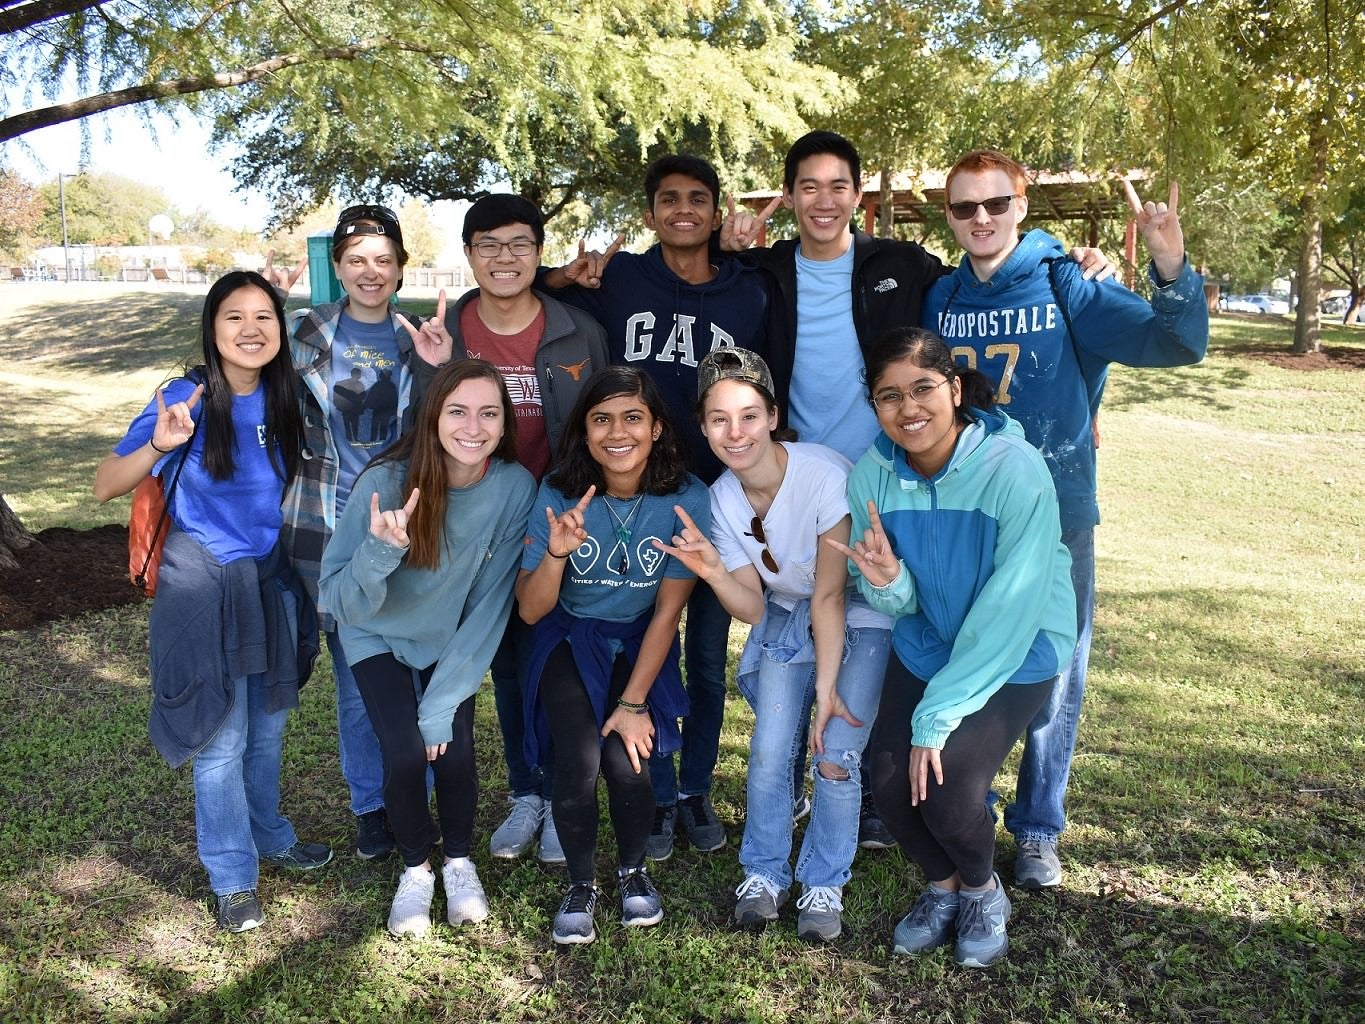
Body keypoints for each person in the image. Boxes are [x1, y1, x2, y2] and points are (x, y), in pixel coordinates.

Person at [719, 129, 1113, 850]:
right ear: (788, 196)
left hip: (890, 467)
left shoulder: (901, 266)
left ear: (858, 197)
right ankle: (826, 771)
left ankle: (978, 809)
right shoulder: (764, 268)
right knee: (812, 619)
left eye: (839, 186)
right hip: (806, 477)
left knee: (893, 625)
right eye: (808, 186)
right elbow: (709, 280)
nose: (824, 200)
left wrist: (1063, 255)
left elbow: (988, 258)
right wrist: (727, 242)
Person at [922, 150, 1209, 888]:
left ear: (1021, 205)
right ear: (948, 215)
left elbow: (1177, 343)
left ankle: (1039, 827)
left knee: (1054, 677)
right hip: (962, 513)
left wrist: (1169, 263)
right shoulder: (940, 299)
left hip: (1054, 515)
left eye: (995, 204)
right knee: (965, 664)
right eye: (963, 208)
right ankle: (966, 810)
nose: (980, 219)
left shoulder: (1067, 284)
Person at [543, 154, 771, 860]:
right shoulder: (620, 278)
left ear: (715, 209)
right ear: (649, 213)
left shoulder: (749, 292)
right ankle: (658, 788)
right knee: (651, 651)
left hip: (704, 499)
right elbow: (538, 295)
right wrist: (560, 275)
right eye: (667, 199)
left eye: (697, 199)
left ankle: (691, 788)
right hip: (630, 499)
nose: (682, 210)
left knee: (701, 656)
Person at [93, 271, 330, 933]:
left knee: (269, 731)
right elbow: (104, 485)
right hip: (203, 588)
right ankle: (232, 877)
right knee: (221, 741)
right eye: (234, 316)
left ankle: (271, 834)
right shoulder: (182, 396)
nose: (250, 329)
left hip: (274, 583)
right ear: (212, 326)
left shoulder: (291, 397)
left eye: (264, 316)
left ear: (281, 331)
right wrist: (160, 443)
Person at [833, 327, 1076, 968]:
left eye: (923, 389)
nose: (908, 408)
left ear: (955, 389)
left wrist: (936, 717)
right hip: (932, 641)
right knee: (886, 784)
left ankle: (982, 889)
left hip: (1020, 647)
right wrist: (885, 582)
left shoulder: (1012, 469)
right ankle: (944, 887)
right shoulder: (872, 478)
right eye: (890, 396)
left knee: (950, 784)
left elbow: (1009, 609)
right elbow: (897, 598)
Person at [655, 348, 891, 942]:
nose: (735, 433)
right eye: (719, 419)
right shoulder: (720, 500)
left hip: (858, 614)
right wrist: (712, 571)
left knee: (835, 753)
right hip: (787, 613)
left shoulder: (821, 474)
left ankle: (823, 881)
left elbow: (832, 597)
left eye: (749, 416)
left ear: (772, 415)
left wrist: (828, 686)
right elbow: (754, 606)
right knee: (768, 750)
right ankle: (763, 873)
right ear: (703, 426)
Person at [319, 360, 536, 937]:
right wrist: (378, 551)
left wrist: (441, 705)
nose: (473, 425)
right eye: (457, 411)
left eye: (489, 412)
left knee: (456, 750)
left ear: (504, 420)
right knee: (406, 750)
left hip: (450, 635)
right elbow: (339, 599)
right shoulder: (386, 481)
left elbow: (490, 606)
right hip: (376, 631)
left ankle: (459, 862)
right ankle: (416, 869)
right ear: (433, 415)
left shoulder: (514, 487)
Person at [431, 193, 610, 865]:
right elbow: (427, 425)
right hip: (475, 527)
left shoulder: (574, 329)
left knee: (564, 663)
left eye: (519, 245)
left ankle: (568, 796)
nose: (504, 258)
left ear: (540, 252)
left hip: (563, 522)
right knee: (506, 669)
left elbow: (605, 418)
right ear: (469, 254)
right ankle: (525, 793)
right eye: (489, 245)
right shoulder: (445, 333)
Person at [269, 205, 451, 861]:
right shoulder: (303, 336)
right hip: (330, 534)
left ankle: (421, 796)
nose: (370, 272)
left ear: (401, 267)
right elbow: (246, 388)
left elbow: (447, 428)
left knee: (421, 677)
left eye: (383, 260)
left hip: (408, 527)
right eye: (356, 260)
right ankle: (372, 808)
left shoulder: (420, 338)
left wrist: (434, 365)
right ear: (338, 268)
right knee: (358, 686)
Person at [516, 367, 709, 945]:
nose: (616, 432)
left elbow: (667, 613)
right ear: (585, 431)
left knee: (628, 761)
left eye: (632, 417)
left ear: (656, 429)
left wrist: (633, 703)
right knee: (577, 761)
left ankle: (631, 871)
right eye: (602, 419)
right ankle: (581, 883)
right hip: (570, 638)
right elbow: (530, 610)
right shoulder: (557, 491)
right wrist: (555, 554)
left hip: (643, 640)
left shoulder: (684, 497)